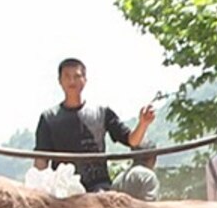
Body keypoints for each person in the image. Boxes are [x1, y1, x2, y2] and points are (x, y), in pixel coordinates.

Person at [33, 58, 156, 193]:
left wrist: (143, 123)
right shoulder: (49, 118)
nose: (72, 81)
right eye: (67, 76)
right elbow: (41, 161)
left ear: (85, 79)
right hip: (64, 188)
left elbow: (131, 140)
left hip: (99, 187)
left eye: (77, 76)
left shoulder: (102, 112)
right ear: (60, 81)